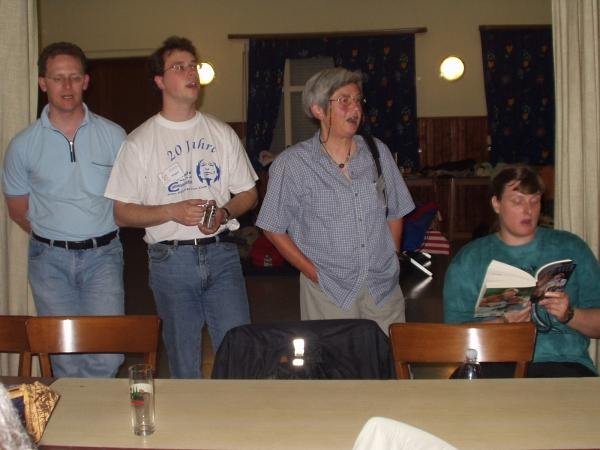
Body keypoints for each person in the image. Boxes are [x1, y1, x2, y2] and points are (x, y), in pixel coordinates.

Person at [105, 36, 258, 379]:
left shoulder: (221, 133)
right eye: (179, 67)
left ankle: (238, 414)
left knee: (240, 354)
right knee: (183, 362)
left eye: (193, 66)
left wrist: (225, 213)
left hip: (222, 256)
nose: (190, 72)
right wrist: (170, 211)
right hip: (170, 261)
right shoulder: (139, 141)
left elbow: (249, 193)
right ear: (159, 81)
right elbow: (121, 212)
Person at [256, 67, 415, 333]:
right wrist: (314, 274)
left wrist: (393, 256)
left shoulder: (377, 152)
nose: (355, 108)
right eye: (344, 100)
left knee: (389, 356)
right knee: (336, 358)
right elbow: (272, 227)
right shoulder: (293, 164)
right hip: (328, 291)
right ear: (318, 110)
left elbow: (396, 211)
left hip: (382, 287)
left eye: (358, 100)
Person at [2, 42, 126, 377]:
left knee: (108, 354)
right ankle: (77, 412)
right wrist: (57, 233)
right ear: (43, 83)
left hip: (103, 258)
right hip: (49, 261)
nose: (67, 86)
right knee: (64, 357)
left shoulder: (115, 136)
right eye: (58, 78)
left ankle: (96, 410)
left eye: (74, 77)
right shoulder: (23, 145)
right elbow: (17, 209)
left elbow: (127, 199)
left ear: (86, 81)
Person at [444, 165, 600, 377]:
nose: (528, 210)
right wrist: (503, 322)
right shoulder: (471, 258)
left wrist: (569, 315)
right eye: (517, 201)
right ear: (496, 203)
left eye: (534, 201)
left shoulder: (571, 247)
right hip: (492, 361)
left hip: (561, 362)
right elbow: (453, 339)